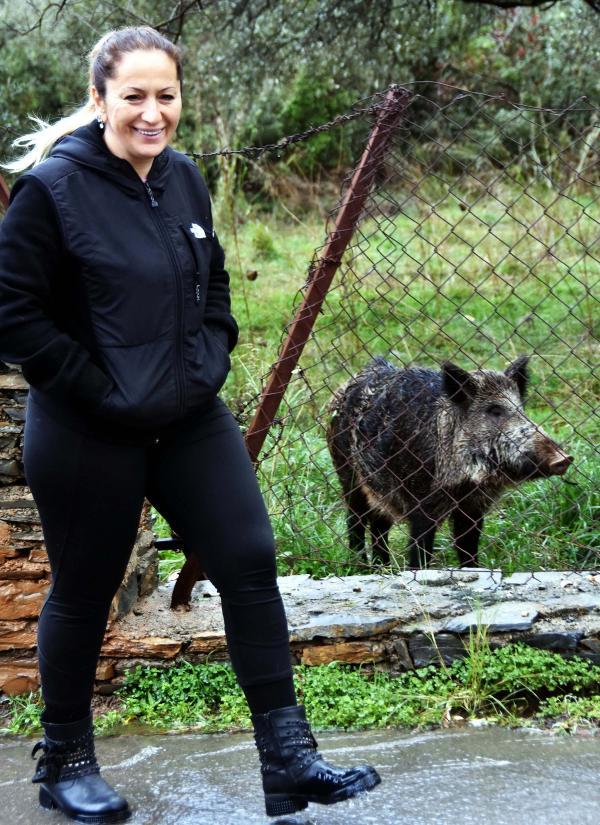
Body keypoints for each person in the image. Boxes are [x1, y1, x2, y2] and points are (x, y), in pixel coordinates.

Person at [0, 26, 381, 824]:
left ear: (181, 99)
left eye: (165, 95)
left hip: (187, 416)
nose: (151, 112)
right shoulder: (53, 191)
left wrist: (210, 361)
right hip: (86, 429)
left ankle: (287, 759)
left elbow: (212, 291)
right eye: (133, 95)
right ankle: (63, 760)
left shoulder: (184, 180)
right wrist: (96, 390)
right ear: (99, 99)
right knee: (84, 587)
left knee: (247, 556)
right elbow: (14, 313)